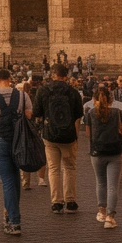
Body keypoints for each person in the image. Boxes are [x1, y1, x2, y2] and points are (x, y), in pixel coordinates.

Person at [0, 69, 33, 235]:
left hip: (0, 140)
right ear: (10, 79)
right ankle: (11, 216)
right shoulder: (23, 96)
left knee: (8, 181)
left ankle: (14, 221)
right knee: (15, 178)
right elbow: (29, 117)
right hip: (19, 141)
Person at [32, 63, 81, 214]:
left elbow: (37, 113)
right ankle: (70, 200)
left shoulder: (43, 90)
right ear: (66, 76)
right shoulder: (73, 92)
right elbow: (78, 115)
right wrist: (76, 134)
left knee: (53, 169)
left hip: (50, 134)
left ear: (52, 75)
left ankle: (57, 202)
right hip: (69, 135)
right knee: (70, 167)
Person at [85, 85, 122, 229]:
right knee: (112, 186)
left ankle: (101, 211)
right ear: (111, 99)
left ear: (93, 99)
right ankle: (110, 217)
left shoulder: (90, 113)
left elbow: (88, 134)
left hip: (97, 152)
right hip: (115, 152)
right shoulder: (118, 113)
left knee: (100, 182)